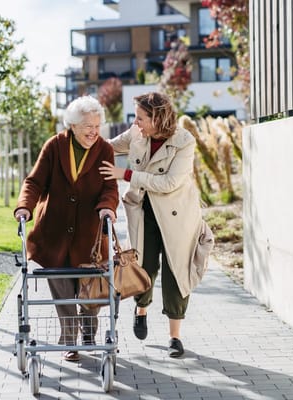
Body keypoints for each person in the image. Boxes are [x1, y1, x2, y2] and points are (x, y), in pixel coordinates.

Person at [99, 92, 214, 358]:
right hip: (143, 212)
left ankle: (175, 337)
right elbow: (107, 146)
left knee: (176, 273)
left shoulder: (184, 142)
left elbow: (170, 183)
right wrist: (82, 135)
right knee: (143, 267)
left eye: (140, 118)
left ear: (157, 118)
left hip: (178, 216)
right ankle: (141, 310)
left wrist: (126, 174)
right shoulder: (137, 134)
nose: (136, 123)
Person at [13, 95, 119, 362]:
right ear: (72, 125)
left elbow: (110, 187)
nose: (94, 132)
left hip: (89, 237)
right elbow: (34, 182)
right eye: (88, 127)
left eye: (97, 126)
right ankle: (71, 341)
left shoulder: (105, 149)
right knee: (63, 294)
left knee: (89, 293)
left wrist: (108, 206)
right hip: (54, 236)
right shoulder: (55, 146)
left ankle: (88, 335)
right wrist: (25, 206)